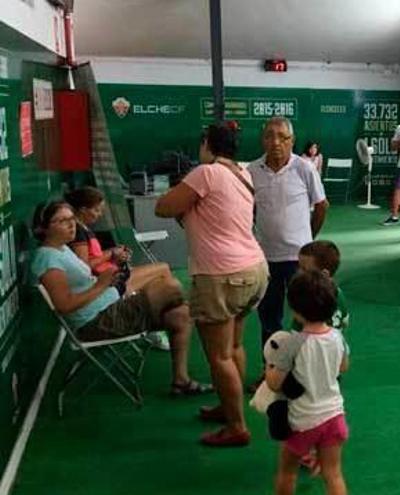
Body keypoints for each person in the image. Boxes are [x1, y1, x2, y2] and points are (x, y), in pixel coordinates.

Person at [155, 122, 269, 447]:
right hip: (253, 270)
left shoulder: (206, 173)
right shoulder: (242, 172)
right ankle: (227, 407)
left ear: (207, 143)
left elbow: (163, 207)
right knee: (233, 346)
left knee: (218, 356)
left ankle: (236, 427)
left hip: (221, 275)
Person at [31, 201, 209, 396]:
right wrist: (101, 285)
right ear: (44, 228)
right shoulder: (47, 258)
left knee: (180, 314)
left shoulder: (61, 249)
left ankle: (180, 381)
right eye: (62, 220)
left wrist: (106, 276)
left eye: (72, 219)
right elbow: (64, 305)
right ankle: (208, 315)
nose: (71, 224)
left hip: (107, 304)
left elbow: (84, 283)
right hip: (97, 322)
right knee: (170, 287)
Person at [250, 117, 328, 388]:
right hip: (266, 258)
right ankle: (270, 370)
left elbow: (321, 206)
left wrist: (307, 242)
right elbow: (250, 211)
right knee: (269, 318)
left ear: (292, 141)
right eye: (270, 136)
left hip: (299, 260)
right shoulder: (252, 171)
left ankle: (302, 371)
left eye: (282, 137)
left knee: (304, 317)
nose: (276, 142)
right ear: (263, 140)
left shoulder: (304, 168)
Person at [265, 270, 349, 495]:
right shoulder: (337, 337)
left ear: (295, 310)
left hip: (304, 420)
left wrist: (269, 365)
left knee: (287, 472)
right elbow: (342, 367)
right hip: (334, 416)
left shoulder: (292, 343)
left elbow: (274, 383)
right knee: (333, 474)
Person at [64, 186, 176, 351]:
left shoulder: (84, 229)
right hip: (107, 284)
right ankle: (162, 325)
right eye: (96, 210)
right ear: (82, 210)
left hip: (109, 278)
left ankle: (157, 324)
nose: (99, 214)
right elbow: (84, 266)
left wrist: (116, 256)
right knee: (163, 269)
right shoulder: (78, 233)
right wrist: (110, 254)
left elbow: (94, 259)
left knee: (155, 281)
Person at [297, 241, 349, 332]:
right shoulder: (338, 293)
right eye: (299, 267)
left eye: (304, 269)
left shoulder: (310, 299)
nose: (299, 273)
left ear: (324, 274)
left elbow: (297, 330)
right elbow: (345, 321)